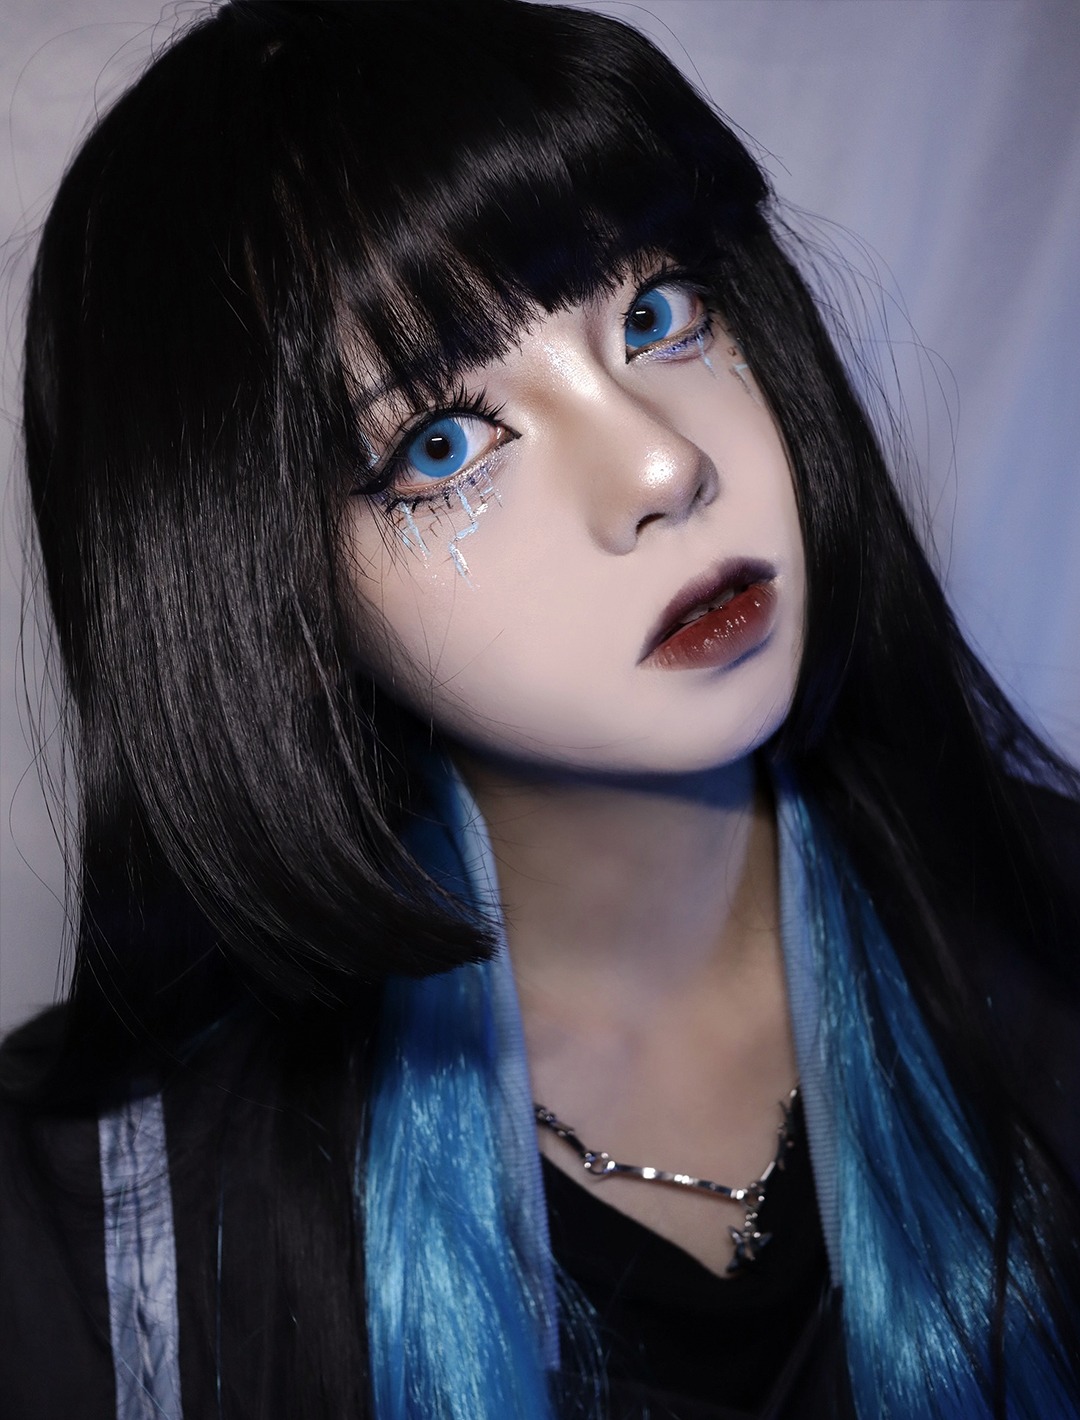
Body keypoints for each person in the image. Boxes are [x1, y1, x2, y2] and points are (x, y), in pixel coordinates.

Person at [1, 2, 1078, 1416]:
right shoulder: (103, 1233)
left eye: (657, 314)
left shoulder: (1049, 945)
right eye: (444, 443)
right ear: (266, 600)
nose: (660, 467)